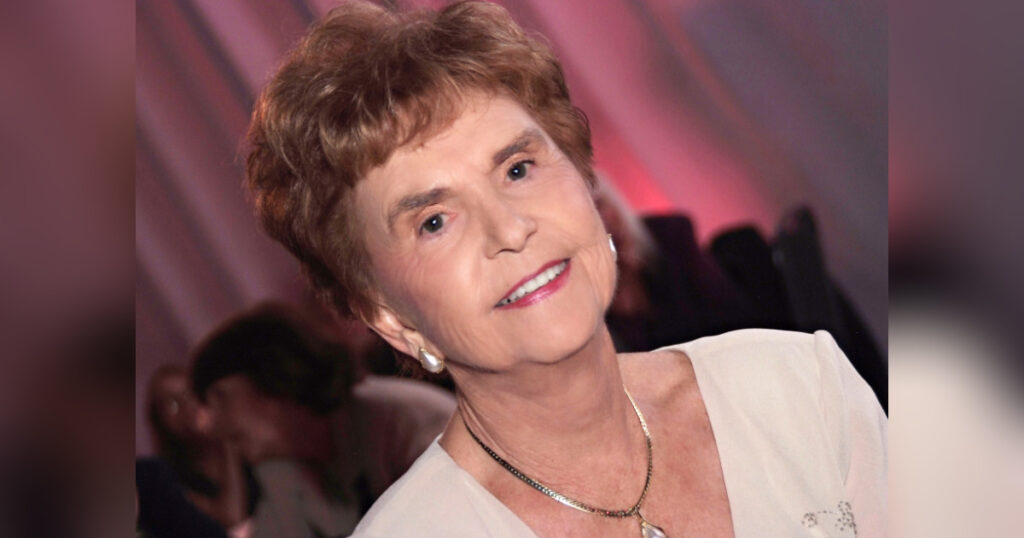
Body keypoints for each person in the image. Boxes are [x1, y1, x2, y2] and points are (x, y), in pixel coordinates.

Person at [243, 2, 887, 536]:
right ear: (389, 316)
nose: (510, 229)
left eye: (518, 169)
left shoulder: (799, 386)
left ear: (585, 183)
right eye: (434, 221)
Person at [189, 302, 455, 538]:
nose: (213, 426)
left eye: (221, 397)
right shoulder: (284, 467)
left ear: (273, 371)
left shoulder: (406, 421)